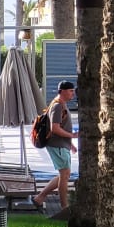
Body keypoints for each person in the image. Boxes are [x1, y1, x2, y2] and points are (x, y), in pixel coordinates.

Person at [32, 81, 78, 211]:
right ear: (62, 91)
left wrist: (70, 144)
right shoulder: (57, 106)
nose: (73, 93)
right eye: (70, 91)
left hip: (62, 144)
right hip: (57, 145)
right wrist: (72, 135)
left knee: (64, 175)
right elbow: (55, 128)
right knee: (64, 175)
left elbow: (62, 126)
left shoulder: (61, 104)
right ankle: (64, 207)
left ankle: (40, 197)